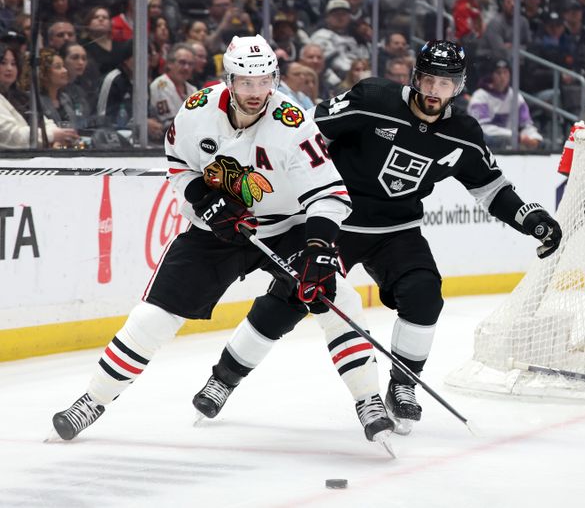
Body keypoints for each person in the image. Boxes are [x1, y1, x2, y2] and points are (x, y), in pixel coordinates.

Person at [198, 41, 562, 434]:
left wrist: (531, 217)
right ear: (415, 77)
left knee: (425, 294)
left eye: (446, 83)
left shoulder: (464, 133)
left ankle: (403, 386)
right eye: (429, 79)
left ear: (458, 87)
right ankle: (224, 378)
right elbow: (305, 134)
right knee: (290, 297)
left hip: (397, 231)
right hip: (335, 221)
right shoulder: (372, 98)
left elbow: (491, 188)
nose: (434, 91)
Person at [51, 34, 394, 447]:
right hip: (217, 230)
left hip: (288, 227)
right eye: (246, 82)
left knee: (338, 302)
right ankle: (92, 399)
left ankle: (368, 400)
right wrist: (202, 199)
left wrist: (319, 251)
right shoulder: (196, 113)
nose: (255, 92)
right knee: (152, 318)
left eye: (264, 81)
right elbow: (179, 168)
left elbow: (329, 194)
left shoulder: (292, 123)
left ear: (275, 78)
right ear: (228, 80)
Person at [467, 59, 542, 150]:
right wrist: (515, 137)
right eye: (498, 73)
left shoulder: (515, 96)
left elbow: (526, 125)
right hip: (484, 145)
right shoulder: (480, 96)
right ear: (491, 75)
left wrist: (535, 138)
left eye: (505, 72)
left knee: (543, 143)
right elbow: (482, 128)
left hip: (510, 142)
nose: (502, 77)